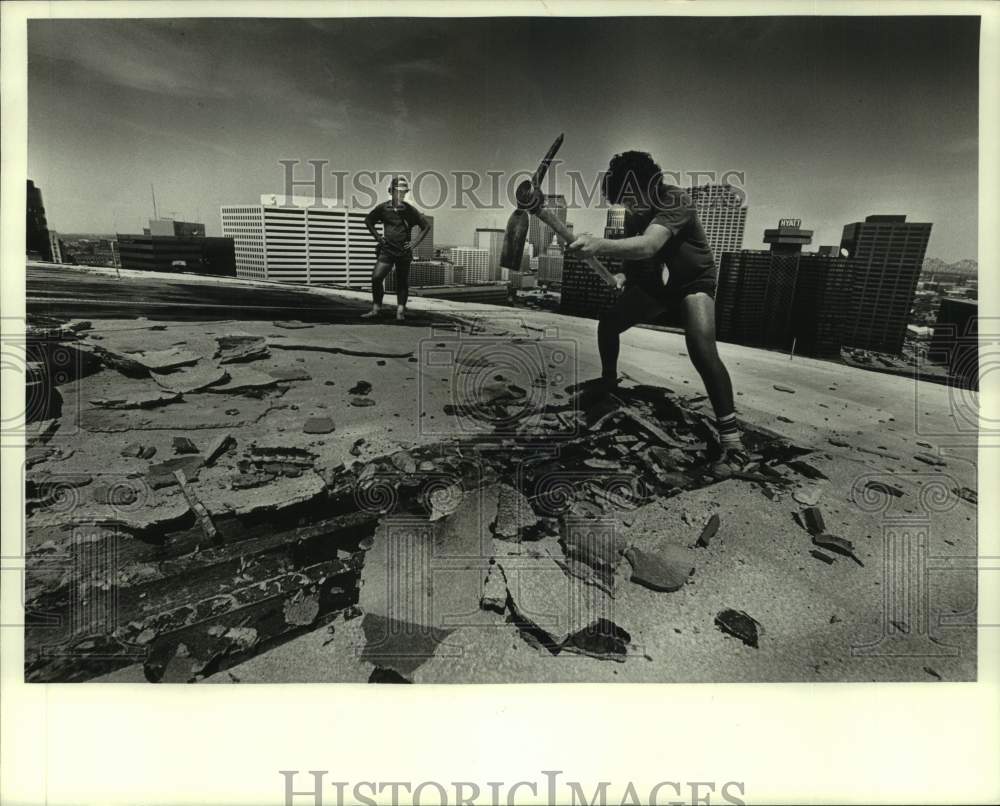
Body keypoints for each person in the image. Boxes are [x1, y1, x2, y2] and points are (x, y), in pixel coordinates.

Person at [567, 151, 748, 475]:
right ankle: (609, 380)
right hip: (658, 285)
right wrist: (623, 276)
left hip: (693, 281)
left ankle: (732, 441)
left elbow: (649, 245)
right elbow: (636, 259)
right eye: (623, 201)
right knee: (608, 323)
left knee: (701, 348)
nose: (630, 207)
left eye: (631, 197)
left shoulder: (674, 200)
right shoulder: (637, 213)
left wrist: (598, 244)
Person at [362, 176, 431, 321]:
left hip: (404, 252)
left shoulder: (410, 210)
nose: (401, 195)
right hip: (387, 250)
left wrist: (414, 244)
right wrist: (378, 238)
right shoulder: (383, 208)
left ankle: (400, 311)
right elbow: (368, 221)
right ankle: (376, 309)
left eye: (404, 192)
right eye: (398, 192)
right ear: (390, 191)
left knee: (402, 281)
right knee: (376, 278)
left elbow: (426, 226)